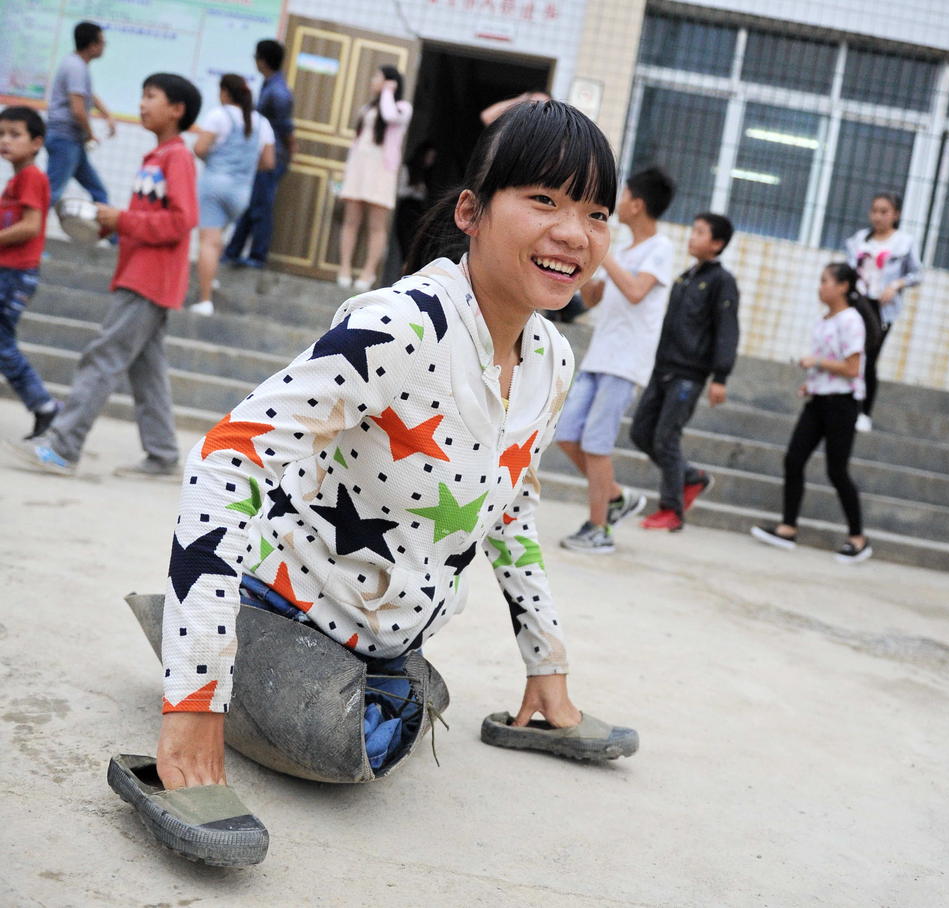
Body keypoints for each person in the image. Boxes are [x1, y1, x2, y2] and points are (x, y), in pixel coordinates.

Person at [125, 100, 635, 864]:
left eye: (596, 213)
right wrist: (193, 704)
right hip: (286, 610)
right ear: (471, 210)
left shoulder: (552, 361)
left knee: (388, 725)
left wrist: (548, 673)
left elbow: (510, 511)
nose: (574, 234)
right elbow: (228, 456)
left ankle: (376, 690)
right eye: (544, 200)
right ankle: (201, 654)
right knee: (346, 747)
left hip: (389, 641)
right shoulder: (400, 328)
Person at [8, 74, 201, 477]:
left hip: (149, 278)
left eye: (151, 96)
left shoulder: (176, 157)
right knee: (146, 371)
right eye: (141, 94)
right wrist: (113, 224)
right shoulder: (157, 157)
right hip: (139, 272)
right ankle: (164, 455)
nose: (143, 103)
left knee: (103, 357)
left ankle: (63, 446)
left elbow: (183, 221)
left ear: (176, 110)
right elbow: (153, 218)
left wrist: (123, 219)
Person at [555, 166, 676, 554]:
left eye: (623, 196)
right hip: (600, 355)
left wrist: (604, 257)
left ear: (637, 205)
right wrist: (584, 264)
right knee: (567, 433)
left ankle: (599, 528)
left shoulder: (661, 248)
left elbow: (637, 291)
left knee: (596, 443)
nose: (618, 202)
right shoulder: (623, 250)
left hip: (625, 361)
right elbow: (593, 299)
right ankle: (617, 498)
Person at [751, 263, 873, 564]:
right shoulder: (824, 321)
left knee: (837, 469)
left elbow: (852, 368)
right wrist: (812, 383)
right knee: (794, 459)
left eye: (825, 281)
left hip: (842, 404)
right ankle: (788, 528)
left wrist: (815, 362)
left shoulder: (851, 321)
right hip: (819, 399)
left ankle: (858, 538)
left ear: (843, 286)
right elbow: (831, 366)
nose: (821, 287)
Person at [629, 213, 740, 533]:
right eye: (693, 230)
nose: (692, 237)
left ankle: (672, 510)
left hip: (689, 375)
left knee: (666, 438)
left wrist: (720, 376)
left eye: (701, 232)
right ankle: (691, 477)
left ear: (717, 244)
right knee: (641, 432)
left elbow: (727, 330)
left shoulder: (721, 281)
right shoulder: (685, 277)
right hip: (662, 368)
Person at [189, 74, 275, 316]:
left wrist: (215, 162)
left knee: (208, 241)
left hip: (214, 186)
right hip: (241, 192)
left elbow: (199, 148)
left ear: (225, 92)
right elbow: (269, 162)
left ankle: (205, 300)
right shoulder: (262, 123)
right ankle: (211, 276)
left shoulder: (219, 115)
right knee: (218, 238)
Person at [0, 107, 59, 439]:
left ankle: (45, 406)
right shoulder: (17, 179)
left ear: (36, 143)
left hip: (14, 275)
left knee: (2, 345)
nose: (5, 141)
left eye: (15, 134)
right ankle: (44, 406)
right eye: (1, 134)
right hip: (7, 272)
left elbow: (31, 226)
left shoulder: (31, 177)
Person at [844, 192, 922, 432]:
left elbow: (916, 274)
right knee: (850, 355)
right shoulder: (859, 240)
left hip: (882, 309)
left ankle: (864, 412)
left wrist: (896, 285)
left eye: (884, 211)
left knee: (869, 358)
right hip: (858, 303)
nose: (878, 216)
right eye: (874, 211)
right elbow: (847, 271)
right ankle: (844, 407)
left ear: (895, 215)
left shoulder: (903, 243)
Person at [337, 66, 412, 290]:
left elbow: (389, 117)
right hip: (359, 168)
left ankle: (368, 272)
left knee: (376, 226)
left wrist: (388, 92)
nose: (373, 80)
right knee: (351, 221)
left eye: (377, 77)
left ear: (390, 82)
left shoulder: (401, 107)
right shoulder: (366, 108)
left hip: (382, 171)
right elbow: (356, 141)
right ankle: (345, 267)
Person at [223, 40, 295, 269]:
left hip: (272, 158)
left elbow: (285, 129)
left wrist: (289, 153)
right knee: (251, 205)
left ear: (262, 60)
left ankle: (257, 256)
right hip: (264, 157)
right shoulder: (270, 85)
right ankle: (233, 252)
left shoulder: (277, 92)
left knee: (261, 207)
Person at [44, 21, 115, 206]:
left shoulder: (76, 64)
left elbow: (87, 95)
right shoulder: (76, 67)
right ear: (92, 46)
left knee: (98, 191)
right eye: (102, 43)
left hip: (71, 139)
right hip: (65, 138)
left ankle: (116, 236)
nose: (103, 47)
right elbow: (78, 110)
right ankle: (26, 233)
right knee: (51, 194)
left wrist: (108, 115)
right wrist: (90, 135)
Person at [480, 90, 551, 126]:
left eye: (543, 107)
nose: (537, 109)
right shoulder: (513, 125)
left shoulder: (550, 130)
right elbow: (486, 116)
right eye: (533, 104)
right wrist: (520, 99)